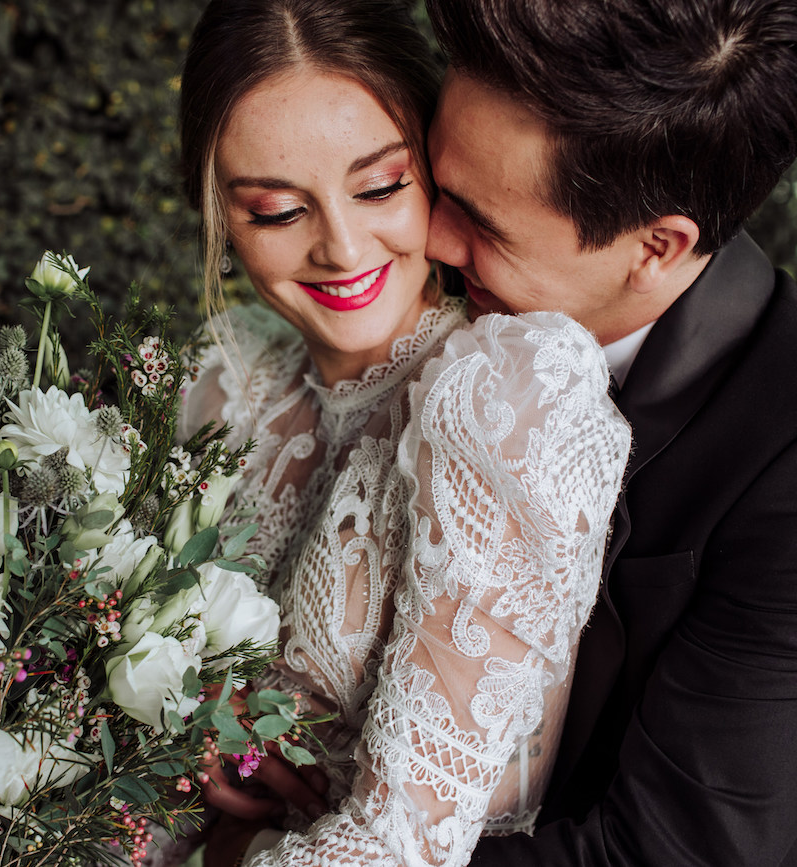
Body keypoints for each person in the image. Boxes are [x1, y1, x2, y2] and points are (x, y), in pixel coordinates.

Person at [420, 1, 797, 865]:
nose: (425, 235)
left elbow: (673, 849)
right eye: (431, 181)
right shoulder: (410, 295)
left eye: (478, 220)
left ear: (657, 247)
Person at [174, 1, 630, 865]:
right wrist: (181, 738)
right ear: (220, 220)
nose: (343, 247)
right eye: (276, 210)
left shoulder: (509, 397)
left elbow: (398, 848)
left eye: (381, 186)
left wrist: (226, 851)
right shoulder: (222, 384)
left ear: (439, 172)